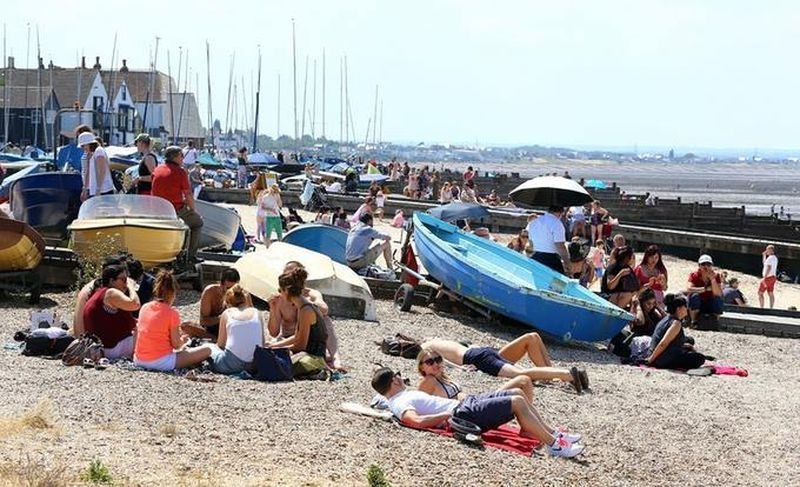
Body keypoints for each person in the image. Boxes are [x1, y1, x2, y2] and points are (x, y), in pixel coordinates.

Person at [371, 367, 584, 458]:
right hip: (462, 414)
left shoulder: (398, 397)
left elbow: (382, 401)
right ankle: (554, 446)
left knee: (518, 390)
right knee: (518, 401)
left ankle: (553, 434)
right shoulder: (399, 402)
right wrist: (445, 416)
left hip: (464, 405)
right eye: (397, 375)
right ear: (393, 381)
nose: (401, 376)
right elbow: (413, 421)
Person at [421, 336, 587, 394]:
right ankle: (557, 375)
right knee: (532, 337)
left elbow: (441, 361)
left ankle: (567, 375)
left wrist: (459, 368)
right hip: (484, 352)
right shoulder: (440, 340)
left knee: (522, 374)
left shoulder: (426, 347)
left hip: (477, 358)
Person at [268, 261, 343, 370]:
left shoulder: (309, 300)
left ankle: (335, 358)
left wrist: (305, 304)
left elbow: (324, 310)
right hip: (289, 338)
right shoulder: (279, 299)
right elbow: (274, 333)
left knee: (326, 320)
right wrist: (273, 309)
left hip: (306, 345)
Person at [134, 270, 211, 371]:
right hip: (160, 362)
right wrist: (183, 340)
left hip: (139, 359)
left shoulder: (145, 307)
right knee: (207, 350)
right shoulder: (172, 313)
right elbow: (176, 344)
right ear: (172, 293)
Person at [416, 347, 535, 405]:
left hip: (475, 401)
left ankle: (533, 429)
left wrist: (459, 367)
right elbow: (418, 403)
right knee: (522, 382)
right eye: (430, 362)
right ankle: (538, 431)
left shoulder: (441, 377)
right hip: (470, 410)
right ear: (422, 367)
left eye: (438, 360)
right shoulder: (429, 380)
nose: (435, 364)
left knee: (524, 381)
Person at [151, 146, 204, 263]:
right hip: (174, 210)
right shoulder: (180, 172)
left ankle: (178, 251)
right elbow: (189, 194)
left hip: (158, 211)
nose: (183, 158)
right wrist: (193, 210)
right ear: (174, 157)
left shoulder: (157, 169)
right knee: (197, 223)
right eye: (181, 156)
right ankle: (190, 256)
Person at [83, 264, 140, 359]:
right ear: (111, 281)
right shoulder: (111, 293)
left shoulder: (100, 293)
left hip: (97, 348)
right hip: (110, 349)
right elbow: (135, 304)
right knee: (145, 331)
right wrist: (131, 287)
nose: (125, 284)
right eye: (123, 280)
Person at [208, 284, 264, 375]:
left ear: (228, 303)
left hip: (232, 365)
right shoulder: (257, 313)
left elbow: (221, 344)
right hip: (255, 365)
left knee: (209, 347)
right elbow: (262, 344)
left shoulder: (227, 313)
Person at [646, 294, 706, 370]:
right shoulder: (676, 323)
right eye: (685, 306)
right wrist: (651, 359)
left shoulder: (666, 318)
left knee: (689, 342)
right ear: (679, 309)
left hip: (658, 355)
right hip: (661, 359)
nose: (686, 309)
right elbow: (663, 343)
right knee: (699, 358)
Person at [199, 268, 241, 337]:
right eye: (228, 288)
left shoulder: (239, 294)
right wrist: (222, 317)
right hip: (212, 328)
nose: (231, 291)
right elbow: (203, 321)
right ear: (221, 284)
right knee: (186, 326)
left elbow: (250, 316)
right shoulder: (210, 292)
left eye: (234, 288)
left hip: (231, 329)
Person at [527, 205, 569, 274]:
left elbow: (531, 243)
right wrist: (567, 263)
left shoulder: (533, 222)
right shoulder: (557, 223)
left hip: (535, 257)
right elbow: (560, 246)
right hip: (551, 260)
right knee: (557, 284)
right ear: (560, 213)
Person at [685, 254, 723, 325]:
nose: (706, 267)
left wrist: (712, 279)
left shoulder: (716, 276)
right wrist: (705, 289)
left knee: (718, 299)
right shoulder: (694, 275)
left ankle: (715, 322)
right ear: (699, 266)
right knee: (694, 296)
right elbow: (689, 289)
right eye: (703, 264)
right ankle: (693, 321)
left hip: (710, 301)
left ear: (712, 266)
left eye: (708, 265)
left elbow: (718, 293)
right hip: (698, 302)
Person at [78, 132, 114, 201]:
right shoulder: (91, 154)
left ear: (89, 143)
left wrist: (98, 189)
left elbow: (102, 171)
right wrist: (84, 189)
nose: (82, 148)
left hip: (104, 190)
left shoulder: (99, 151)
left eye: (83, 146)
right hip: (95, 191)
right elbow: (87, 172)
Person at [601, 246, 639, 310]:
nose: (633, 259)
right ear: (627, 258)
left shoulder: (628, 268)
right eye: (632, 257)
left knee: (634, 296)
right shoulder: (613, 268)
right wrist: (620, 274)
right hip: (608, 296)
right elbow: (610, 286)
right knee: (627, 295)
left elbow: (635, 287)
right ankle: (615, 315)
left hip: (620, 297)